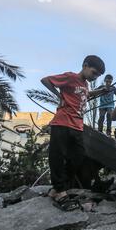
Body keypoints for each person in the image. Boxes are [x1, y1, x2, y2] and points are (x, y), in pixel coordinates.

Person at [41, 55, 107, 211]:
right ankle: (60, 191)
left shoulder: (85, 84)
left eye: (97, 75)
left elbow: (85, 95)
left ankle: (57, 189)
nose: (94, 77)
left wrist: (99, 91)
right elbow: (45, 80)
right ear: (85, 65)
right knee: (57, 156)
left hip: (77, 126)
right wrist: (59, 96)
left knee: (78, 156)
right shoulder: (70, 77)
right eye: (94, 73)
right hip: (62, 122)